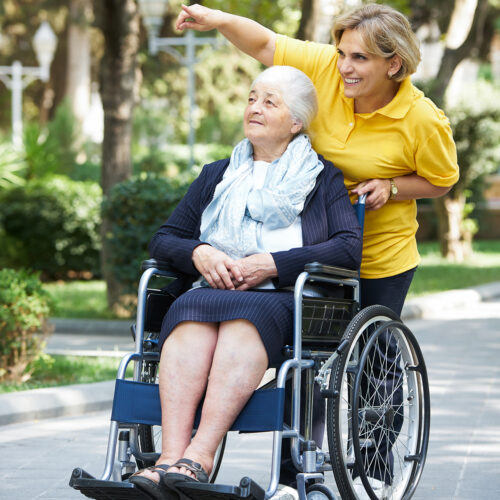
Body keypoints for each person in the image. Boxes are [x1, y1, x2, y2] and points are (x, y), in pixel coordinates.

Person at [174, 3, 459, 497]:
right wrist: (218, 20)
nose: (345, 66)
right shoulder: (328, 67)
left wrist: (392, 188)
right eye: (342, 52)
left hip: (377, 251)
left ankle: (374, 460)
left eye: (360, 59)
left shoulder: (419, 119)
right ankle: (289, 476)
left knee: (372, 365)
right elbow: (265, 44)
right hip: (307, 247)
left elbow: (440, 180)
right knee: (307, 360)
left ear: (393, 64)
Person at [129, 65, 362, 499]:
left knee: (242, 322)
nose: (254, 107)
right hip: (210, 292)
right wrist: (201, 252)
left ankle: (200, 455)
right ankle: (167, 460)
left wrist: (273, 264)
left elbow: (348, 248)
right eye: (252, 98)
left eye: (269, 102)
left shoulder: (321, 178)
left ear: (295, 122)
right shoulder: (217, 173)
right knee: (187, 318)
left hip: (279, 298)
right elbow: (165, 238)